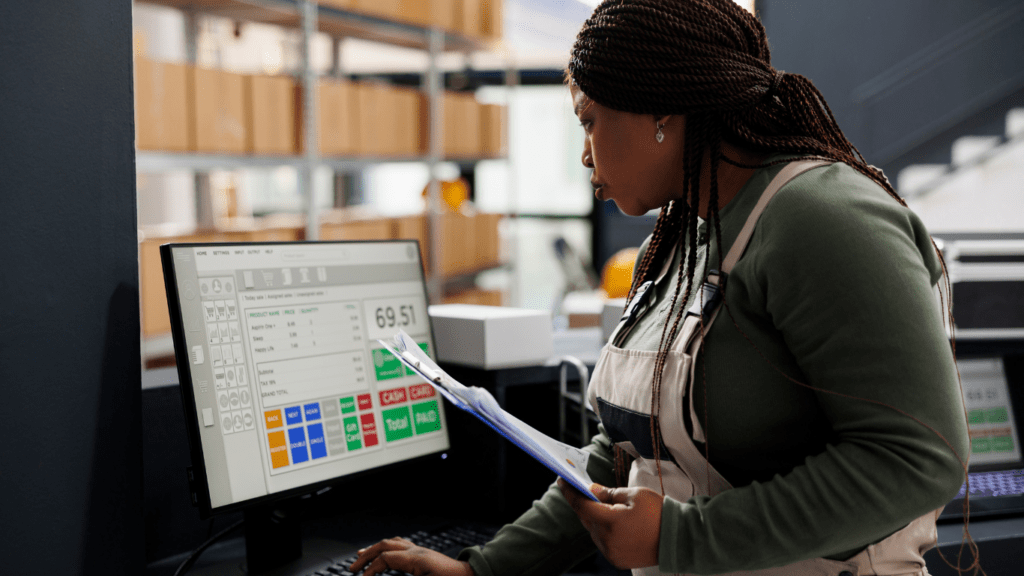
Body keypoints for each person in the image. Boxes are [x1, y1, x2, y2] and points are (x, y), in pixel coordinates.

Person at [350, 1, 971, 575]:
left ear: (662, 112)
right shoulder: (687, 234)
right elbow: (619, 453)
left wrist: (681, 536)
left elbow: (917, 457)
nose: (586, 156)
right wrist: (482, 568)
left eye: (589, 120)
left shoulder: (821, 218)